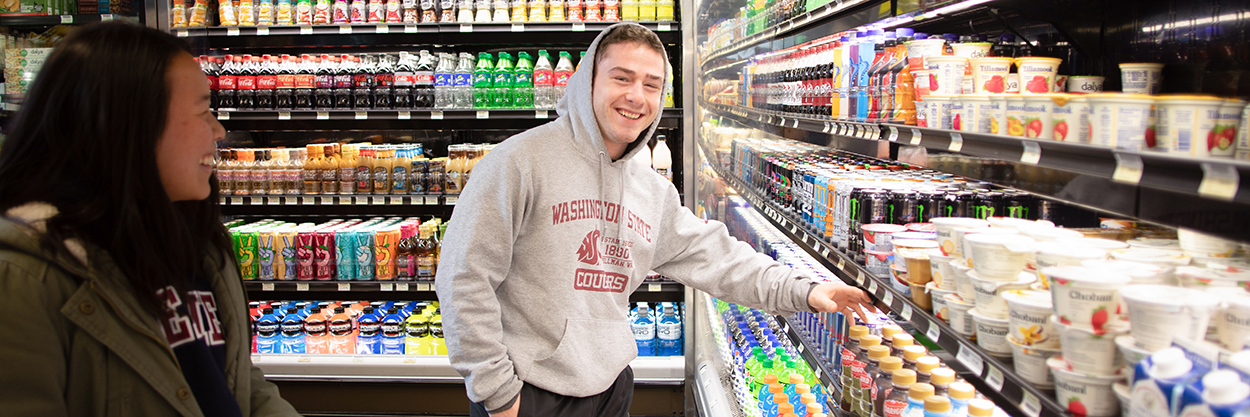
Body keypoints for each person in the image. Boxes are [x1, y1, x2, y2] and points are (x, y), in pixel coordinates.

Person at [435, 23, 875, 417]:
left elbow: (717, 258)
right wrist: (498, 393)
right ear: (587, 81)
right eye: (621, 78)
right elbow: (463, 278)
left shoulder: (652, 190)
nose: (636, 97)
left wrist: (808, 290)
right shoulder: (518, 162)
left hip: (611, 388)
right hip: (529, 394)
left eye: (651, 85)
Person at [0, 22, 300, 416]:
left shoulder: (194, 245)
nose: (220, 130)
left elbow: (233, 382)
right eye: (203, 111)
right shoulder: (23, 277)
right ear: (131, 125)